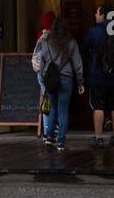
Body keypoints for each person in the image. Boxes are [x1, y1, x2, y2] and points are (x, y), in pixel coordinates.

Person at [32, 19, 84, 151]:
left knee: (52, 108)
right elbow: (78, 64)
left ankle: (49, 137)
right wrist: (80, 81)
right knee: (63, 111)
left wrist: (43, 79)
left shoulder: (46, 42)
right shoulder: (72, 43)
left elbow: (42, 60)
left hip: (51, 79)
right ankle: (61, 142)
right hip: (67, 79)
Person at [83, 4, 114, 148]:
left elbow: (85, 45)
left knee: (98, 106)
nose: (95, 16)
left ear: (103, 16)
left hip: (98, 74)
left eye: (97, 13)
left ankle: (98, 138)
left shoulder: (94, 31)